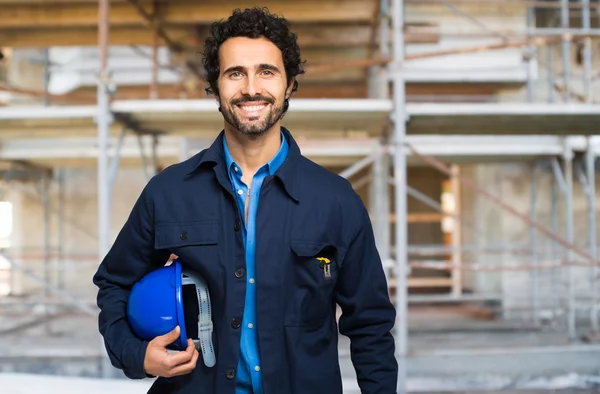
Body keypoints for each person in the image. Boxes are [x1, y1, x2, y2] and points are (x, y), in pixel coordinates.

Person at [93, 7, 398, 394]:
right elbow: (114, 283)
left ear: (289, 85)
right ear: (215, 86)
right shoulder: (168, 192)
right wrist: (136, 355)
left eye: (266, 72)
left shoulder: (336, 201)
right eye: (235, 73)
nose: (251, 88)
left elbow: (370, 324)